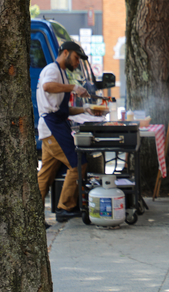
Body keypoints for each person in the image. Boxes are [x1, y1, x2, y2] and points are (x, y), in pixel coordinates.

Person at [37, 41, 102, 222]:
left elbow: (63, 109)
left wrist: (85, 109)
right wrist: (73, 88)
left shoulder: (62, 74)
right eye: (75, 58)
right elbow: (47, 86)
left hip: (55, 125)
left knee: (45, 175)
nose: (76, 63)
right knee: (78, 164)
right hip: (52, 127)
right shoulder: (52, 69)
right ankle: (65, 207)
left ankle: (34, 218)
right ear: (65, 52)